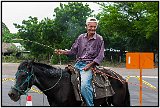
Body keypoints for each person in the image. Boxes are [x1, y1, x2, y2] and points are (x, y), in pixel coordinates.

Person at [55, 17, 104, 106]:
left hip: (89, 65)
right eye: (90, 26)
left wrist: (90, 65)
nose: (92, 29)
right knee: (64, 80)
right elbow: (73, 51)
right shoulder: (81, 37)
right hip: (78, 64)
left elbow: (100, 56)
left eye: (94, 27)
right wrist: (63, 52)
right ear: (86, 26)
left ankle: (90, 105)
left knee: (85, 85)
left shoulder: (99, 39)